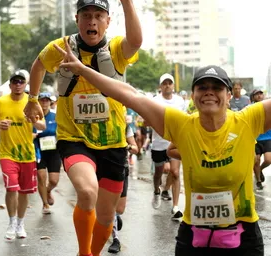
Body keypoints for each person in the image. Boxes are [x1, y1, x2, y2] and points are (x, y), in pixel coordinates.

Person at [51, 52, 266, 255]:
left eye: (217, 87)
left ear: (228, 95)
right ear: (193, 95)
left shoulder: (248, 120)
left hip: (243, 235)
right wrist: (83, 69)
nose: (209, 91)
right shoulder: (181, 124)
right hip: (195, 236)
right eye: (202, 87)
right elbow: (130, 95)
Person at [24, 0, 142, 256]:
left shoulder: (116, 50)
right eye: (86, 16)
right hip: (73, 138)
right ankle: (84, 253)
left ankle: (90, 253)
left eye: (98, 16)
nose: (92, 21)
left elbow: (136, 40)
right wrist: (32, 98)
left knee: (106, 215)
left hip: (113, 142)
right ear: (77, 20)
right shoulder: (62, 47)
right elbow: (38, 65)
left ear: (107, 22)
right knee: (87, 192)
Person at [0, 71, 45, 240]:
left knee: (24, 192)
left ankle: (20, 223)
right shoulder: (1, 102)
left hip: (27, 154)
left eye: (21, 81)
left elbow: (42, 125)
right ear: (10, 84)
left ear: (25, 84)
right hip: (8, 153)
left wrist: (33, 121)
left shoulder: (32, 102)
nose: (18, 84)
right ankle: (12, 222)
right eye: (15, 81)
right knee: (11, 188)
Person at [150, 73, 185, 220]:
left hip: (175, 142)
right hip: (158, 143)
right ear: (160, 86)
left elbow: (184, 120)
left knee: (175, 172)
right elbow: (147, 119)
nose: (167, 85)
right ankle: (157, 191)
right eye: (164, 83)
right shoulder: (155, 101)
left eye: (170, 83)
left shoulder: (180, 101)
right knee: (159, 173)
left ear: (173, 85)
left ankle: (175, 207)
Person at [108, 123, 138, 254]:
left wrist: (128, 146)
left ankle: (116, 216)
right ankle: (115, 240)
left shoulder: (125, 127)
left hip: (121, 168)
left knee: (119, 209)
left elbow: (136, 149)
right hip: (103, 168)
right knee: (110, 208)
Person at [34, 92, 61, 214]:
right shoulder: (34, 117)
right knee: (41, 177)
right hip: (39, 151)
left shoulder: (56, 117)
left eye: (47, 100)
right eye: (42, 100)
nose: (44, 102)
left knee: (54, 181)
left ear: (51, 102)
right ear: (38, 102)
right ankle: (45, 204)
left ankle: (48, 190)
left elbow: (61, 132)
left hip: (54, 152)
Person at [251, 89, 271, 190]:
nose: (259, 96)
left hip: (268, 137)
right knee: (256, 160)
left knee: (268, 160)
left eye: (260, 94)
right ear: (253, 97)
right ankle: (258, 181)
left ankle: (260, 170)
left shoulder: (268, 106)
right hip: (255, 139)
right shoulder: (250, 109)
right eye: (256, 94)